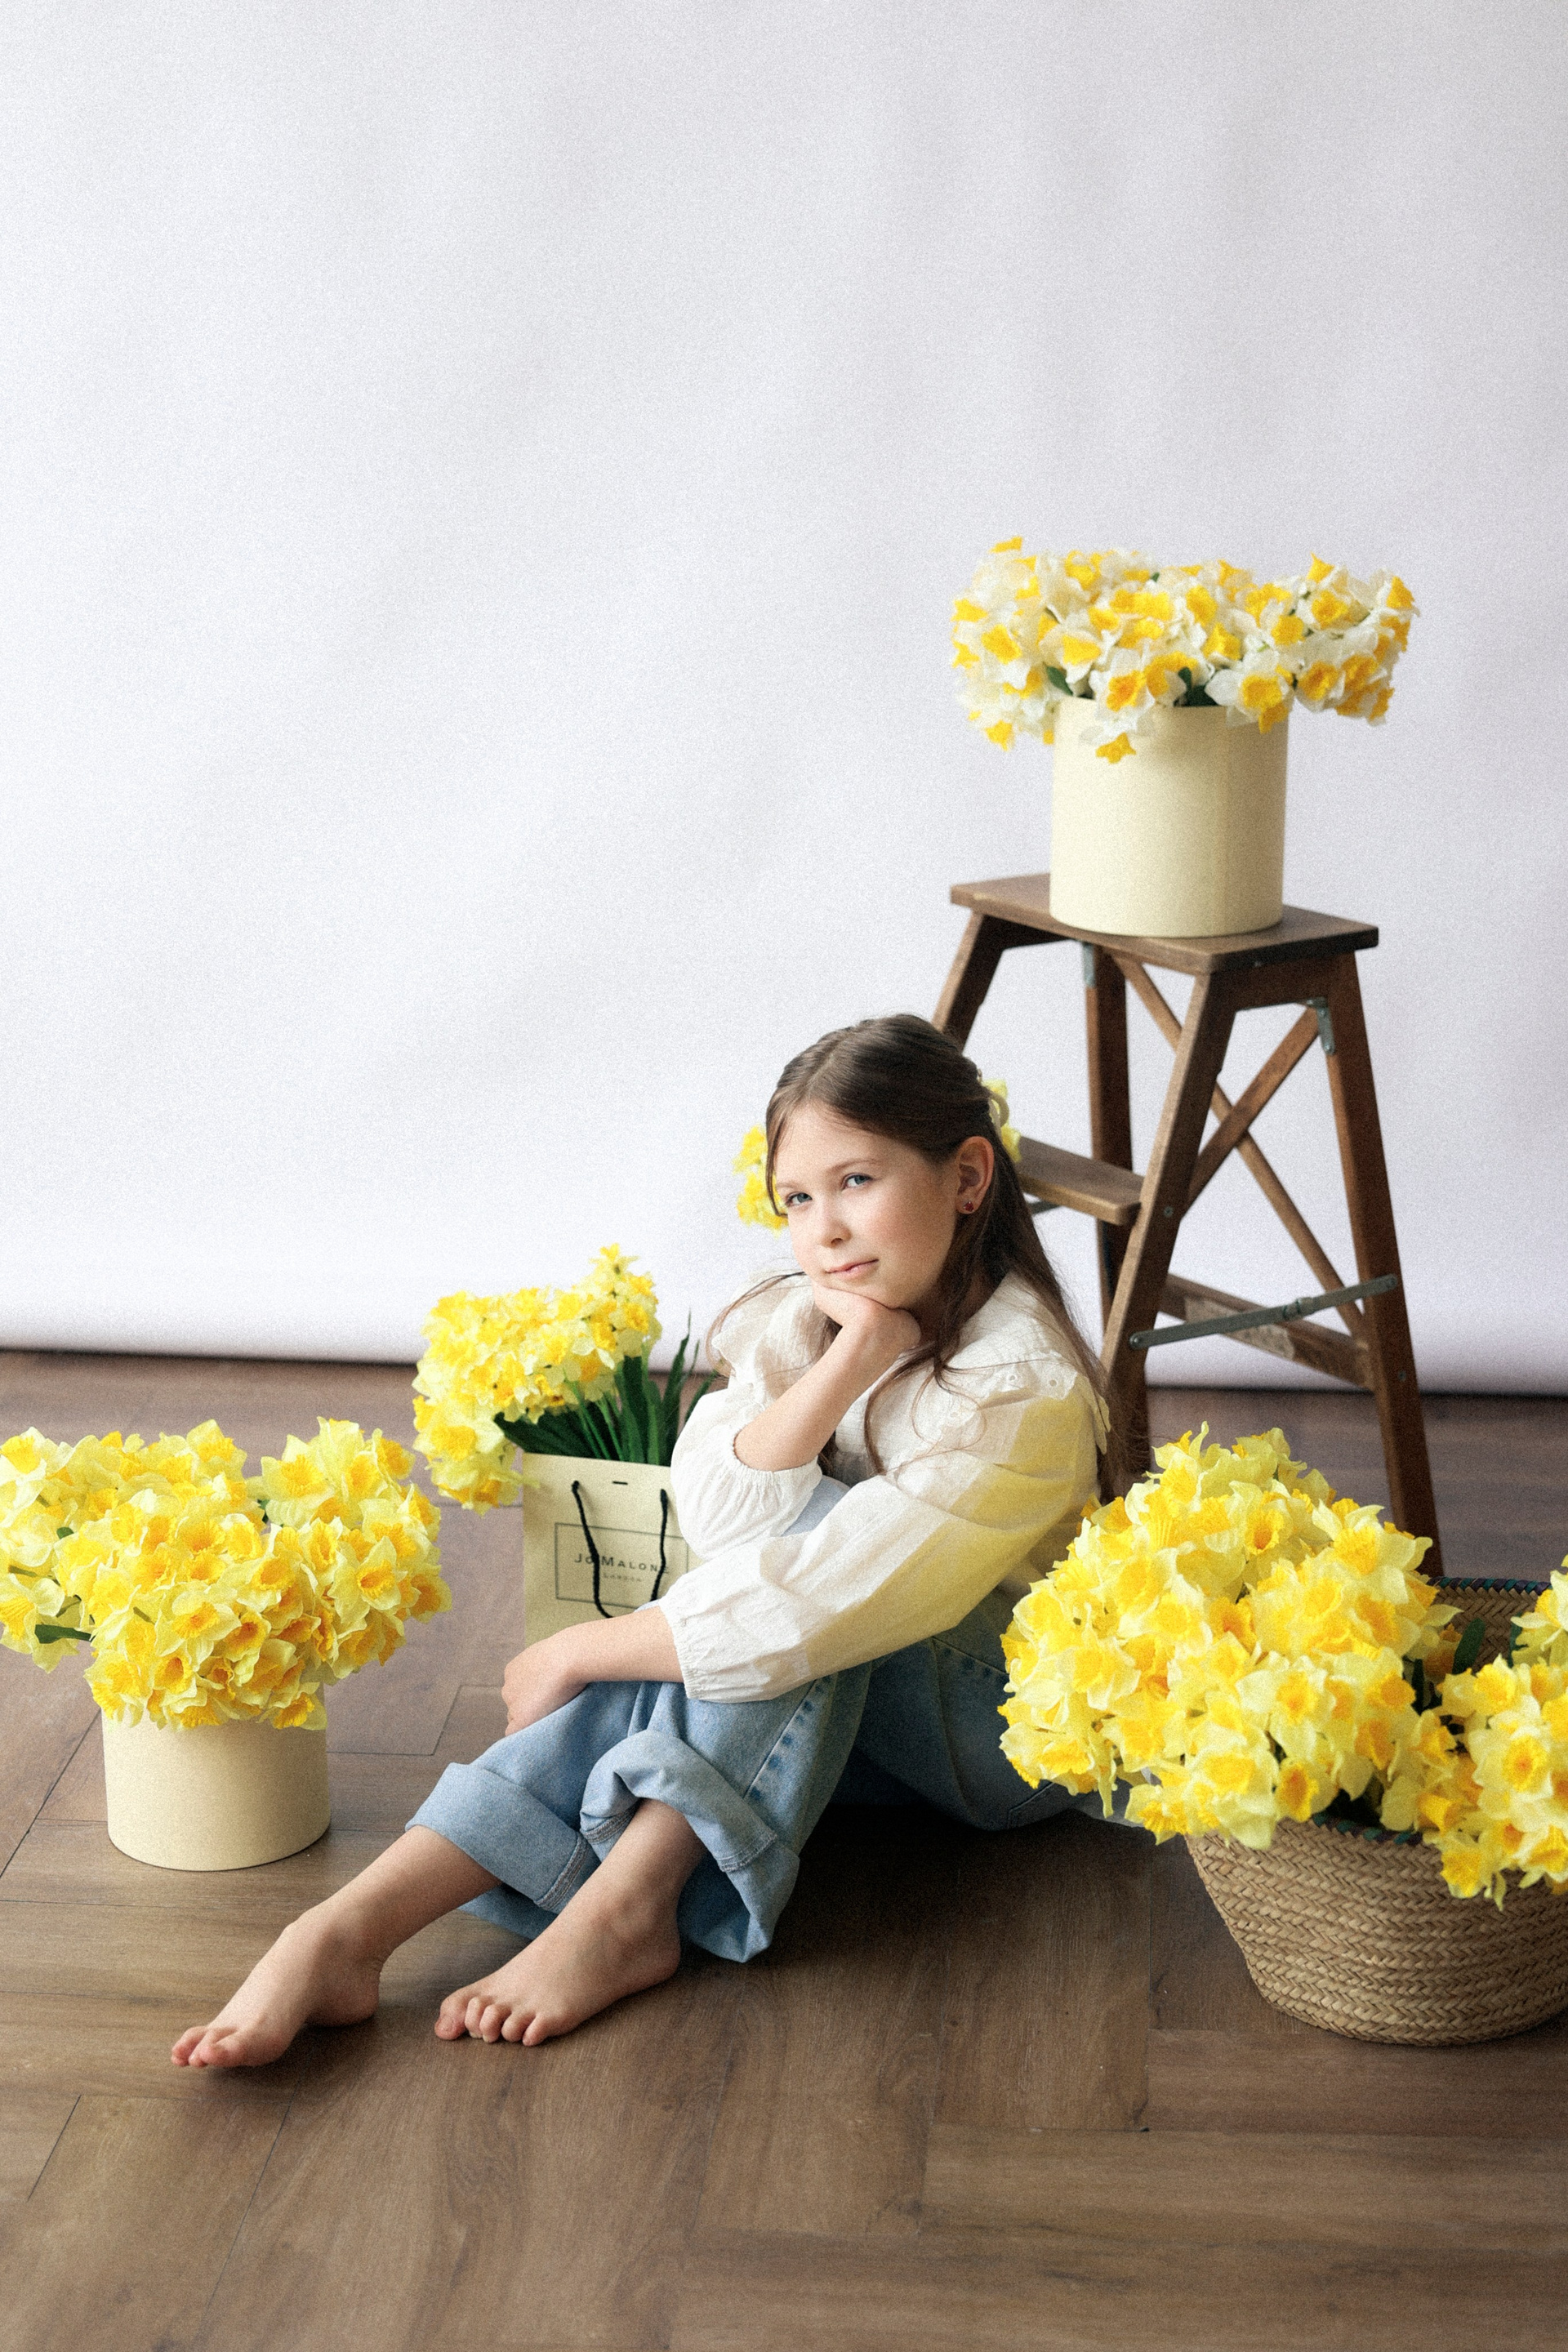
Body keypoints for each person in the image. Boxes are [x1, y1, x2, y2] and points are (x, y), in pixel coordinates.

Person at [172, 1013, 1130, 2069]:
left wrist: (580, 1647)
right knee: (744, 1599)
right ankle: (344, 1932)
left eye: (857, 1182)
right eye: (797, 1200)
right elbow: (721, 1517)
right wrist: (850, 1362)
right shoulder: (825, 1312)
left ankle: (626, 1909)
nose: (824, 1230)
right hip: (842, 1715)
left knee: (784, 1586)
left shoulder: (1020, 1385)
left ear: (968, 1176)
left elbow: (807, 1606)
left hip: (1000, 1737)